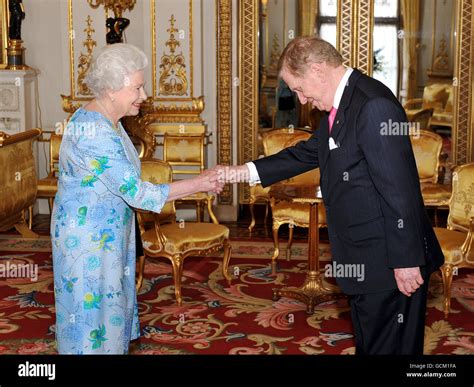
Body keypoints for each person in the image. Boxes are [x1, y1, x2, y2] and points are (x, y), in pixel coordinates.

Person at [217, 36, 444, 355]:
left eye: (297, 88)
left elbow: (400, 189)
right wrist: (240, 172)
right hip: (369, 259)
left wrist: (406, 262)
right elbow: (307, 152)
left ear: (317, 69)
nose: (302, 99)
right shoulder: (347, 102)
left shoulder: (372, 105)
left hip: (388, 262)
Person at [51, 43, 224, 354]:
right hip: (87, 242)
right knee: (91, 323)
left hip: (106, 236)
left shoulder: (109, 122)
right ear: (112, 89)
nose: (144, 95)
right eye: (138, 87)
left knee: (107, 316)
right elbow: (138, 192)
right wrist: (199, 183)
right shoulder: (95, 132)